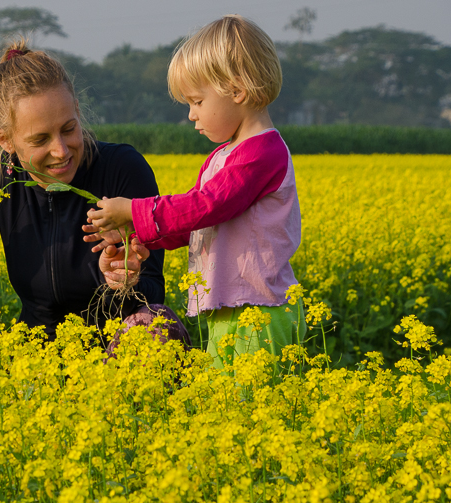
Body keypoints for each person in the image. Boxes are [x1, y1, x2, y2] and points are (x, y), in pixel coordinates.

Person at [0, 41, 187, 344]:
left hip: (107, 361)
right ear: (5, 141)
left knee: (155, 327)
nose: (61, 150)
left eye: (68, 128)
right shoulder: (1, 177)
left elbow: (151, 292)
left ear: (78, 111)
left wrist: (123, 283)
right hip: (29, 359)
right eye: (40, 139)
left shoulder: (122, 169)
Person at [86, 15, 303, 367]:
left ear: (237, 90)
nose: (191, 115)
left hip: (260, 311)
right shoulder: (225, 155)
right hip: (233, 307)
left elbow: (206, 206)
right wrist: (136, 236)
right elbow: (194, 224)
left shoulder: (262, 153)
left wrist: (134, 211)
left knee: (246, 409)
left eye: (197, 102)